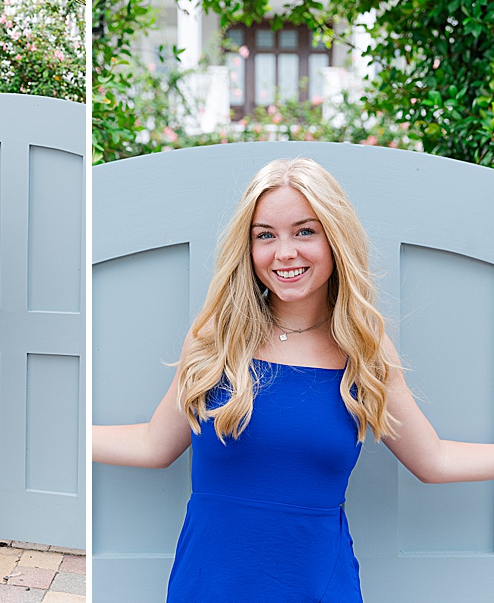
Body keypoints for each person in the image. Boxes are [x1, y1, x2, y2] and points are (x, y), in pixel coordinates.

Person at [93, 157, 494, 601]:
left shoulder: (365, 347)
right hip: (210, 585)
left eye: (305, 231)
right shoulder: (216, 338)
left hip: (318, 587)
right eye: (265, 235)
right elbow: (155, 445)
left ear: (334, 238)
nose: (284, 253)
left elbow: (433, 460)